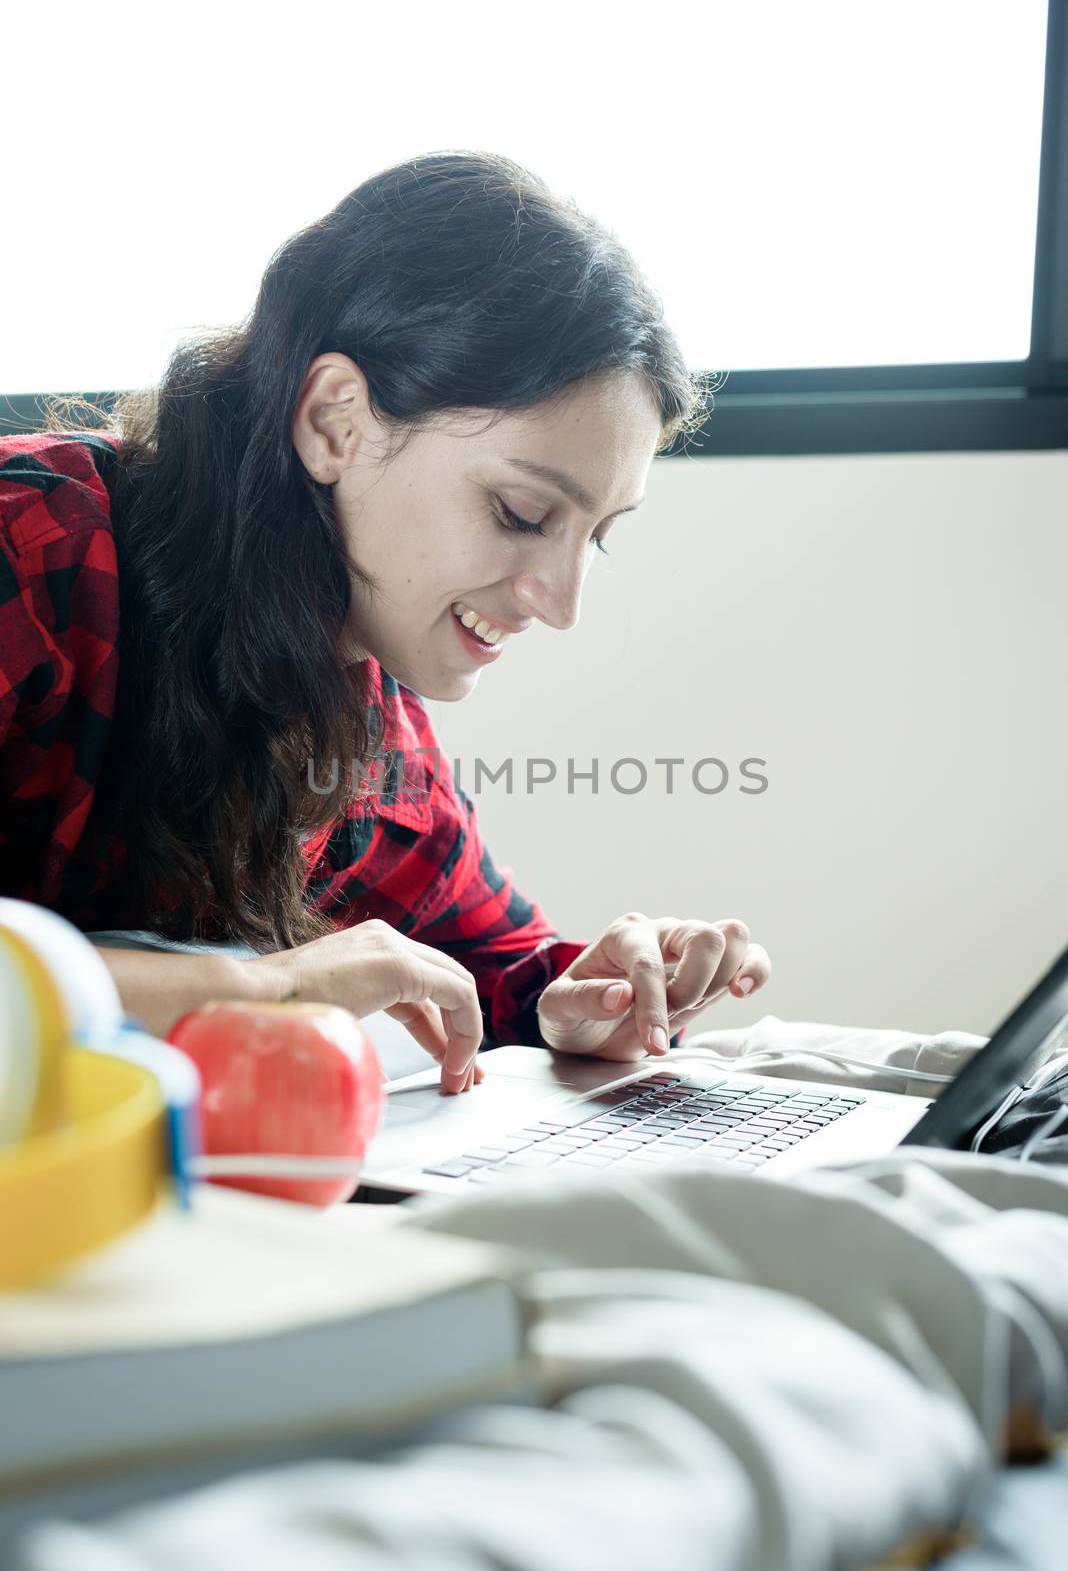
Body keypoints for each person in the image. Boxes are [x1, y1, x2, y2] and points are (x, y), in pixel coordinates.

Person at [0, 149, 771, 1094]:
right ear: (335, 422)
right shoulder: (30, 540)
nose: (560, 605)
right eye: (523, 516)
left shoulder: (361, 697)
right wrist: (263, 986)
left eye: (596, 537)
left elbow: (492, 962)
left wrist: (588, 998)